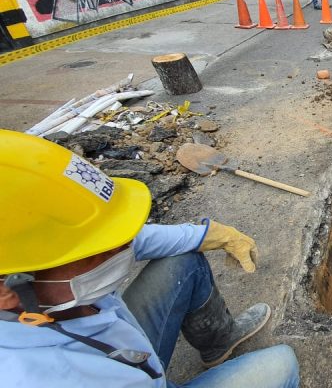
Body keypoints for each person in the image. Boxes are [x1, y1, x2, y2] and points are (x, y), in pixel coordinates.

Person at [0, 129, 300, 388]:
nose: (124, 248)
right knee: (282, 363)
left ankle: (220, 341)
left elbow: (124, 240)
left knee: (183, 261)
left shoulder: (22, 258)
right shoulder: (36, 375)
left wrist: (207, 235)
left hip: (130, 355)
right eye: (102, 246)